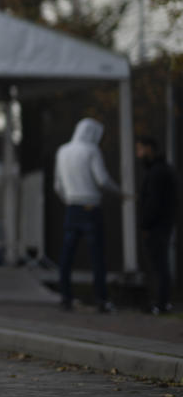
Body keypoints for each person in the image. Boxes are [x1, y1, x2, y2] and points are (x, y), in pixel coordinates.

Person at [53, 117, 128, 313]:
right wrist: (120, 192)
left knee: (67, 255)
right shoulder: (91, 150)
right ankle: (101, 299)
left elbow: (58, 186)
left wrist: (70, 198)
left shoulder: (62, 151)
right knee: (97, 256)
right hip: (90, 207)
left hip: (71, 207)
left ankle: (65, 297)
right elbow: (102, 180)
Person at [135, 134, 177, 314]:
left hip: (157, 226)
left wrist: (145, 224)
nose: (138, 154)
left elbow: (154, 202)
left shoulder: (157, 172)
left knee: (158, 266)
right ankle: (161, 302)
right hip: (162, 224)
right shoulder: (161, 170)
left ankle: (161, 303)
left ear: (149, 148)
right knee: (159, 265)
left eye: (140, 149)